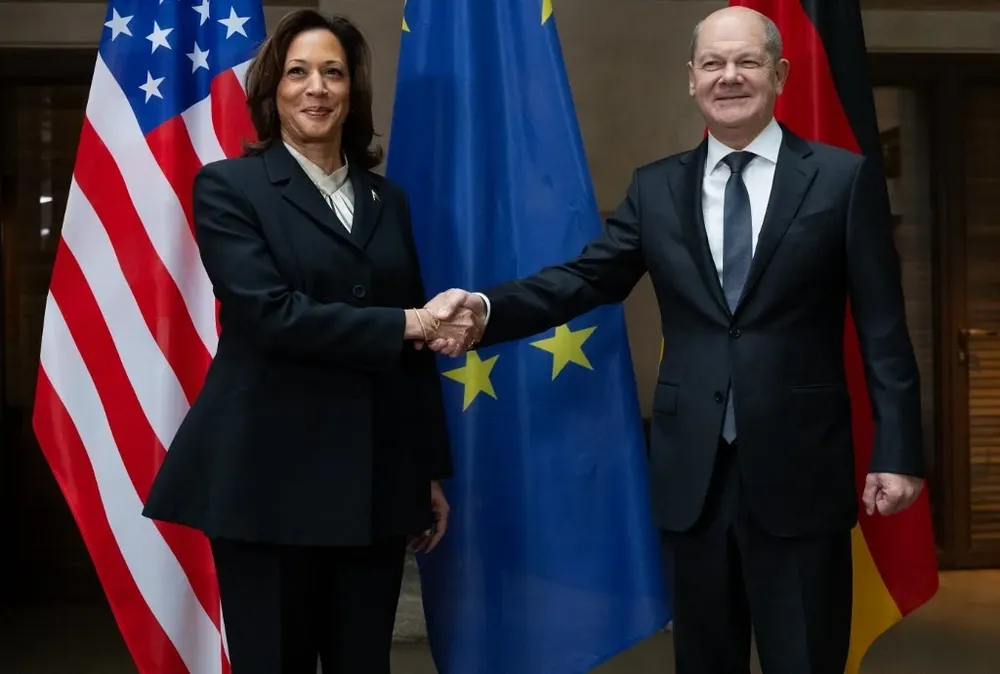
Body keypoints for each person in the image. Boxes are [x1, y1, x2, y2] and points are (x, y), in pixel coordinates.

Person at [427, 6, 925, 673]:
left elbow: (883, 327)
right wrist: (487, 309)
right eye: (713, 63)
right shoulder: (656, 187)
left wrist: (899, 451)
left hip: (803, 473)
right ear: (691, 78)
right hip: (694, 480)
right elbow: (586, 279)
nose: (729, 76)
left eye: (747, 62)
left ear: (779, 74)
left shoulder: (842, 179)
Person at [142, 10, 478, 674]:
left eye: (333, 72)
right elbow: (271, 315)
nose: (316, 88)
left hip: (375, 483)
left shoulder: (387, 200)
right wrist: (410, 321)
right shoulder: (228, 187)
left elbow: (412, 361)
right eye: (298, 72)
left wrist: (424, 471)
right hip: (266, 483)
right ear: (273, 90)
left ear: (353, 89)